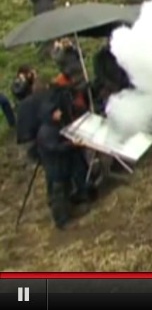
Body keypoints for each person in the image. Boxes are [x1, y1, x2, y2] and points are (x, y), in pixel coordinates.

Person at [36, 80, 95, 229]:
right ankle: (62, 221)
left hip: (62, 166)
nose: (60, 112)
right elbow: (55, 148)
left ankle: (70, 211)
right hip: (55, 169)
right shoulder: (46, 132)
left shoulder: (54, 126)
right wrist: (72, 144)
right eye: (56, 111)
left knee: (66, 190)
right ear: (50, 114)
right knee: (59, 196)